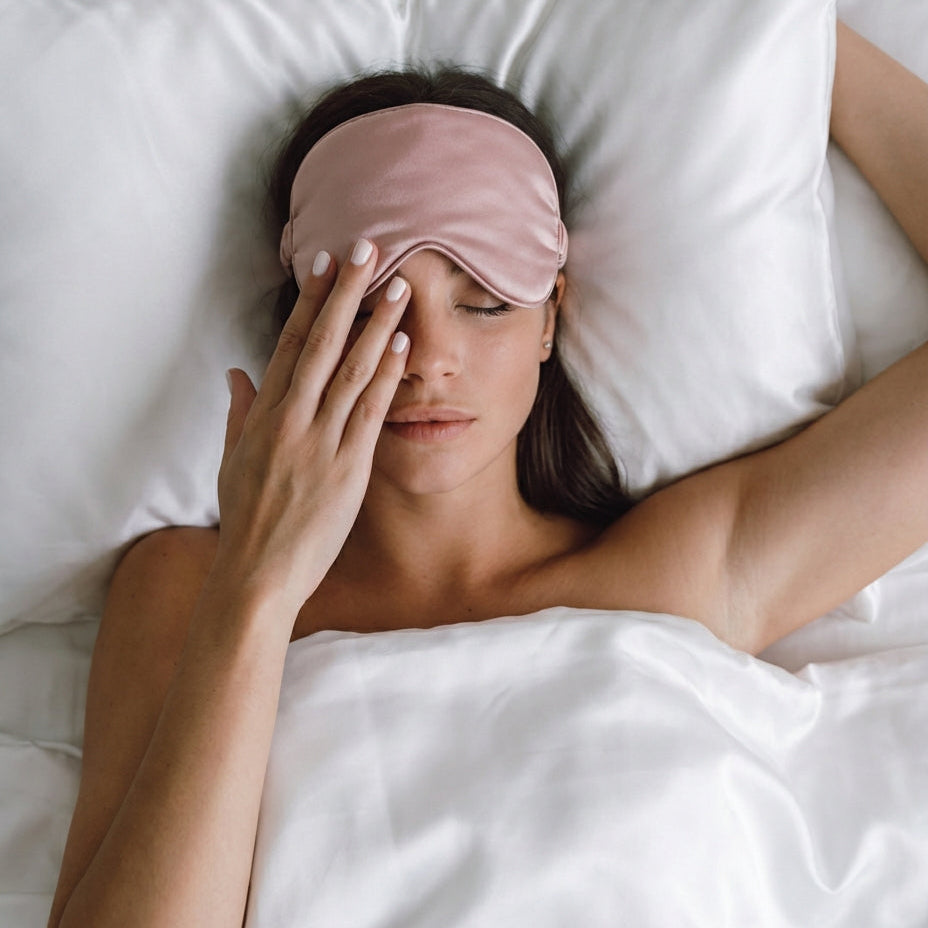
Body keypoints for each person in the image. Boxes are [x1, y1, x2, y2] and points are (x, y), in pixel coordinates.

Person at [48, 21, 928, 928]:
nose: (430, 359)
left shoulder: (686, 572)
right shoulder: (189, 589)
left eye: (483, 302)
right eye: (370, 309)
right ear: (298, 330)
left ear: (550, 322)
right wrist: (260, 588)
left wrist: (792, 36)